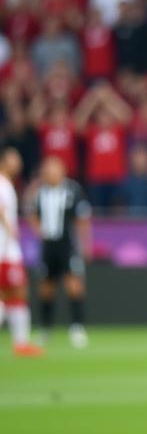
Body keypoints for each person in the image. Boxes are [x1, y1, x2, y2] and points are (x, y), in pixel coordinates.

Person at [28, 155, 91, 348]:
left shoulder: (73, 190)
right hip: (48, 246)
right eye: (47, 169)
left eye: (53, 169)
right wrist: (39, 231)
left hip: (67, 245)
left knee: (74, 286)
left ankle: (77, 328)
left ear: (62, 171)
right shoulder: (40, 192)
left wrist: (85, 243)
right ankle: (46, 329)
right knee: (46, 289)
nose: (49, 173)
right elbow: (33, 215)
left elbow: (82, 218)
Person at [0, 148, 43, 356]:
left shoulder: (8, 184)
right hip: (5, 250)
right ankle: (21, 343)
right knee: (14, 293)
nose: (18, 162)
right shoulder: (2, 183)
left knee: (11, 296)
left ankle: (21, 343)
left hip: (7, 249)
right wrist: (10, 229)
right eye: (13, 158)